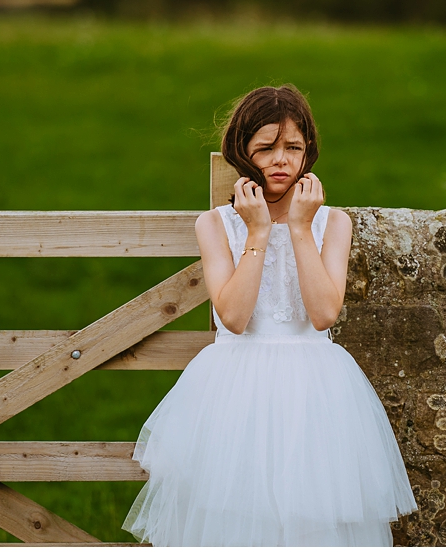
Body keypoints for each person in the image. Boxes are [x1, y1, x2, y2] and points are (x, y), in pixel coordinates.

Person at [122, 84, 417, 546]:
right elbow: (235, 317)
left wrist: (299, 226)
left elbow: (323, 314)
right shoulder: (216, 225)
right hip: (235, 389)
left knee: (313, 521)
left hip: (316, 392)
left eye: (293, 148)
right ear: (243, 153)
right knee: (237, 521)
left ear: (309, 153)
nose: (281, 159)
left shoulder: (332, 223)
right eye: (266, 148)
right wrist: (258, 230)